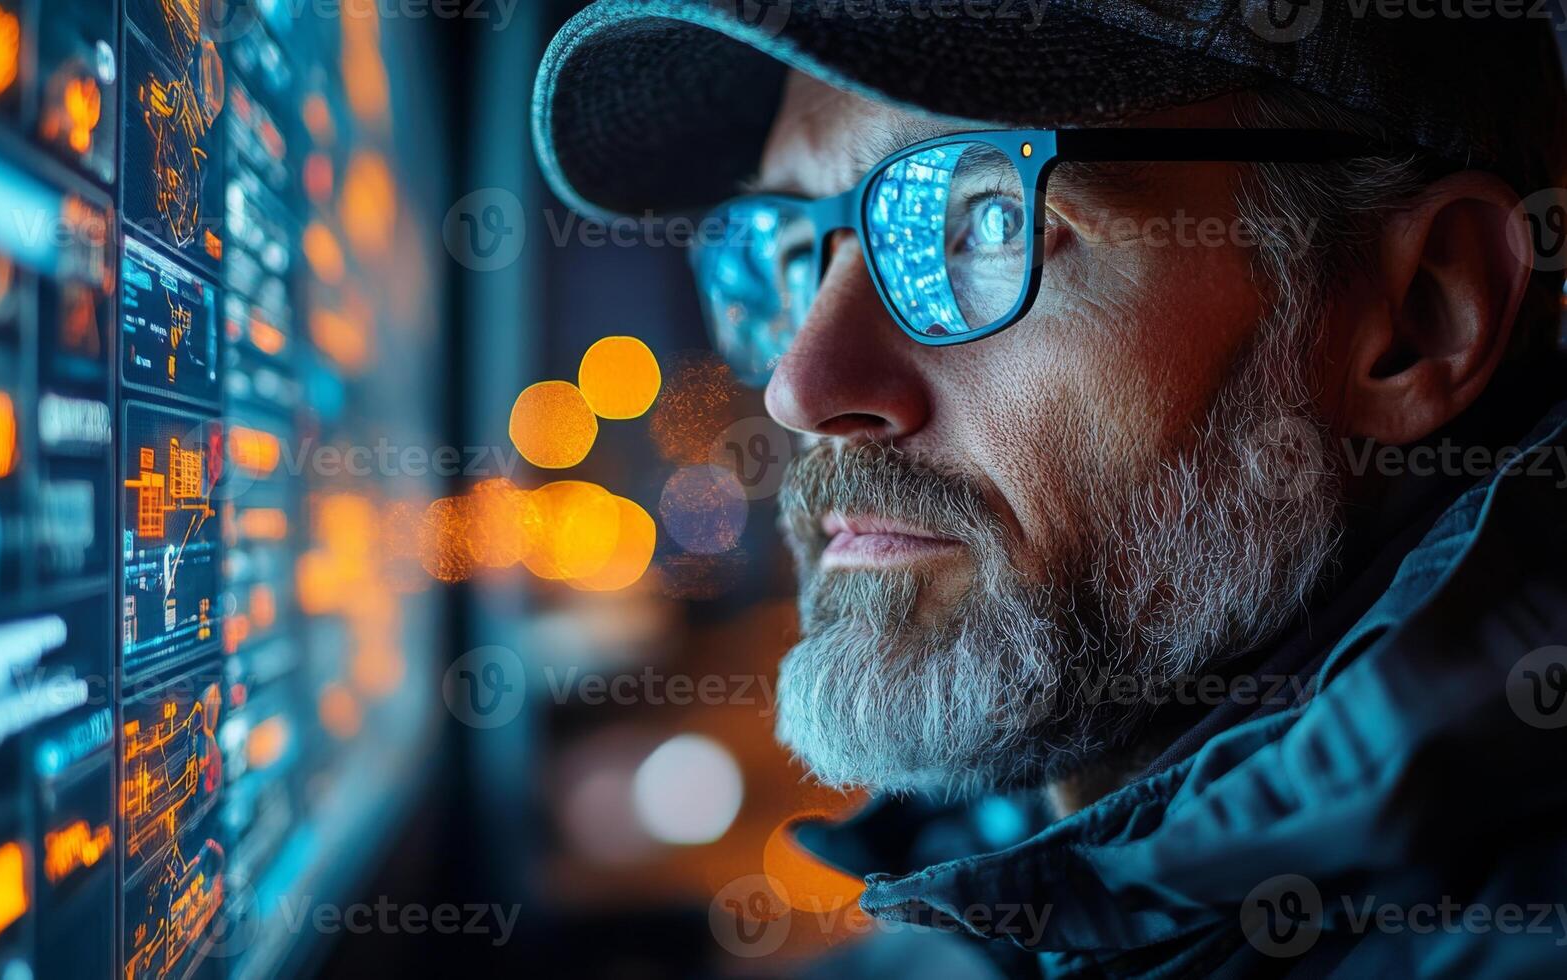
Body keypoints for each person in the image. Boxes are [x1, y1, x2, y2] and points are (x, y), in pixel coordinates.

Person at [536, 1, 1567, 974]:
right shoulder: (1009, 898)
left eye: (985, 219)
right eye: (797, 251)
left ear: (1423, 312)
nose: (803, 387)